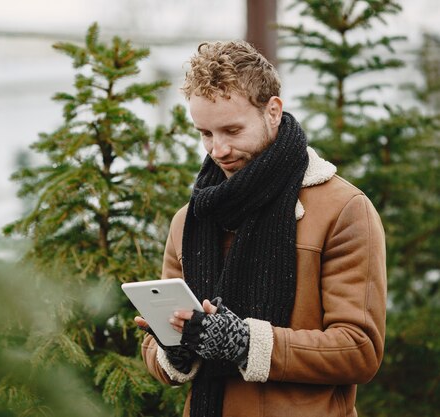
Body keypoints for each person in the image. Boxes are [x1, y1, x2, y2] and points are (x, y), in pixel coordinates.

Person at [134, 40, 387, 417]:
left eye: (232, 130)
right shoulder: (190, 219)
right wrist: (174, 346)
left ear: (272, 111)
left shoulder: (344, 210)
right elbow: (157, 356)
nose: (218, 150)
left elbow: (359, 350)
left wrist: (245, 342)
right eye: (205, 133)